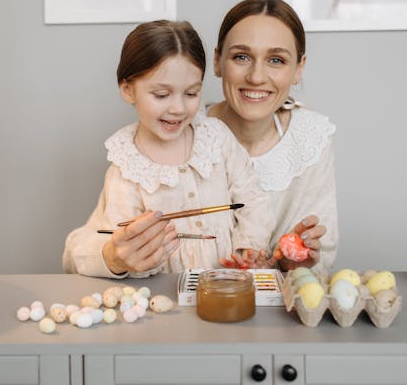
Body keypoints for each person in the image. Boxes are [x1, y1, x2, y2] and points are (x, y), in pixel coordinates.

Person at [62, 20, 275, 277]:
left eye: (191, 93)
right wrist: (131, 257)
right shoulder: (127, 167)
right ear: (128, 90)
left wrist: (248, 249)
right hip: (164, 297)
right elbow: (121, 246)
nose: (178, 108)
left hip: (227, 287)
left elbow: (254, 200)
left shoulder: (216, 137)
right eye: (162, 95)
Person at [206, 0, 338, 272]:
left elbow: (322, 256)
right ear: (217, 61)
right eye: (241, 57)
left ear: (298, 69)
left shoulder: (310, 138)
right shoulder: (182, 131)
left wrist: (295, 262)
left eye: (276, 60)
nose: (256, 76)